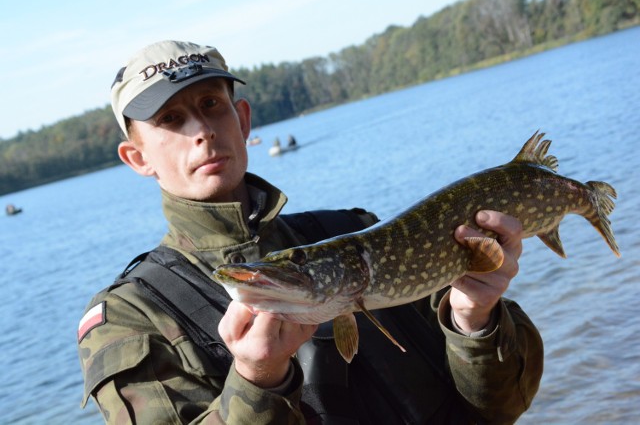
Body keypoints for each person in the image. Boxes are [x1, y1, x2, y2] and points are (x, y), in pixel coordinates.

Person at [78, 40, 543, 424]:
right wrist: (256, 379)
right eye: (171, 120)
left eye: (210, 105)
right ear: (138, 158)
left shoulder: (359, 233)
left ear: (241, 120)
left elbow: (502, 406)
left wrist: (474, 320)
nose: (202, 130)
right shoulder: (128, 319)